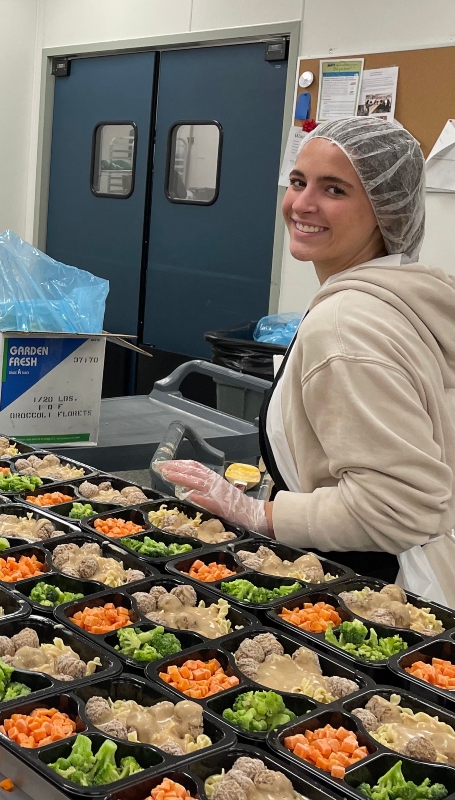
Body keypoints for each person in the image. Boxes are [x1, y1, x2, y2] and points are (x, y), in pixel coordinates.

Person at [160, 117, 455, 602]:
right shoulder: (405, 295)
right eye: (298, 182)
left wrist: (259, 514)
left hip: (380, 590)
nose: (302, 203)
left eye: (334, 189)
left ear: (385, 210)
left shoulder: (346, 326)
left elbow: (401, 507)